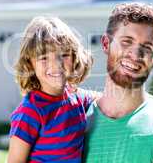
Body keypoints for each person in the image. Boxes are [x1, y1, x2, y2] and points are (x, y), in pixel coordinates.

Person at [84, 3, 153, 163]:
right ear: (105, 44)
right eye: (126, 41)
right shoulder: (76, 118)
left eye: (147, 47)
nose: (136, 54)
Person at [8, 16, 93, 163]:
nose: (56, 64)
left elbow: (106, 100)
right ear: (30, 65)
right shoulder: (29, 112)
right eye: (44, 58)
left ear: (75, 58)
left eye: (64, 54)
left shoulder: (78, 98)